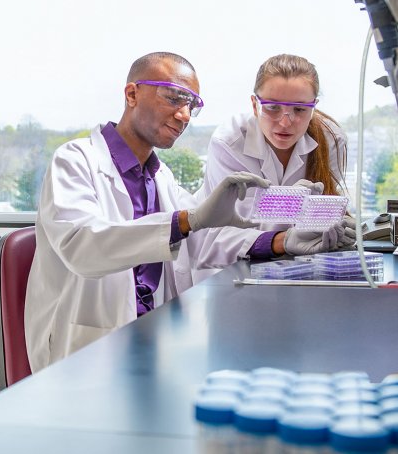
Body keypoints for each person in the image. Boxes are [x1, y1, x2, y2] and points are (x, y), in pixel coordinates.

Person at [24, 51, 272, 373]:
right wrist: (185, 220)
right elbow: (81, 245)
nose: (183, 115)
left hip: (151, 341)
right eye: (174, 99)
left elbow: (204, 237)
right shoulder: (74, 160)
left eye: (192, 106)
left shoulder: (161, 177)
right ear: (131, 94)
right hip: (86, 349)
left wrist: (281, 241)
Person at [194, 53, 356, 268]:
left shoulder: (331, 140)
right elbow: (222, 232)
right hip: (229, 269)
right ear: (254, 105)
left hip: (300, 268)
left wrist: (339, 229)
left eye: (299, 109)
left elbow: (321, 218)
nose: (285, 122)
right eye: (272, 107)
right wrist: (291, 213)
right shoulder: (229, 142)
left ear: (313, 107)